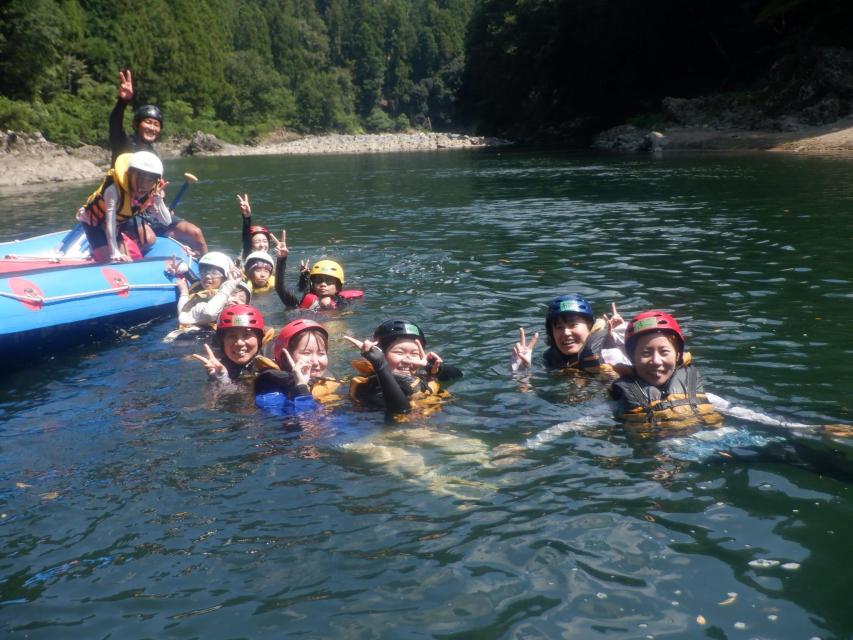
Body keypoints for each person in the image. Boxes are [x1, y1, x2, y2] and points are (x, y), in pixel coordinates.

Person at [109, 68, 208, 257]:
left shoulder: (153, 154)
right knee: (148, 238)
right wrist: (122, 102)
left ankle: (208, 271)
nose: (152, 127)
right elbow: (114, 124)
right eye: (148, 122)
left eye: (156, 124)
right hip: (126, 213)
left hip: (150, 214)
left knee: (196, 234)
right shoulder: (124, 145)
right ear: (137, 124)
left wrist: (159, 199)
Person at [609, 310, 723, 438]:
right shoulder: (620, 401)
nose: (656, 361)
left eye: (664, 352)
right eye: (646, 353)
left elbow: (735, 411)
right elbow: (593, 418)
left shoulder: (698, 392)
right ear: (632, 358)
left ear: (678, 355)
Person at [344, 320, 462, 417]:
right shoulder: (368, 385)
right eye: (399, 352)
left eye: (414, 354)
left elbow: (458, 375)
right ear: (381, 354)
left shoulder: (421, 377)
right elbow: (401, 410)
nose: (407, 360)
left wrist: (432, 367)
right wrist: (380, 366)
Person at [76, 151, 170, 263]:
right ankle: (96, 249)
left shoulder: (153, 191)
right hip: (95, 223)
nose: (144, 185)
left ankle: (106, 249)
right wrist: (115, 252)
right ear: (129, 175)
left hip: (117, 225)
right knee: (114, 262)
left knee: (127, 261)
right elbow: (109, 223)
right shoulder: (113, 190)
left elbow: (166, 221)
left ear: (155, 180)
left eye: (149, 180)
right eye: (140, 177)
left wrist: (159, 201)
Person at [511, 295, 627, 378]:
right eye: (559, 327)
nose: (566, 332)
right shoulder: (551, 358)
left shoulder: (609, 350)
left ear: (590, 327)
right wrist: (523, 371)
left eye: (573, 325)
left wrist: (625, 341)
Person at [254, 319, 344, 414]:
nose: (316, 362)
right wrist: (301, 386)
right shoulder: (270, 393)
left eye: (321, 353)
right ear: (285, 357)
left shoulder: (330, 381)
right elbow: (304, 423)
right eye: (307, 353)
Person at [192, 304, 276, 382]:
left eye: (246, 335)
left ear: (259, 339)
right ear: (222, 342)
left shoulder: (277, 357)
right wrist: (220, 379)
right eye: (232, 336)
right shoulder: (219, 366)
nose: (239, 343)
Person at [273, 231, 350, 310]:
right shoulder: (300, 303)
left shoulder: (343, 304)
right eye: (319, 280)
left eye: (329, 281)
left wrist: (328, 307)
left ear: (338, 287)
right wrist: (281, 260)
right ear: (313, 284)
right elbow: (279, 288)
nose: (323, 284)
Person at [176, 252, 244, 329]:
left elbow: (208, 313)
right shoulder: (199, 287)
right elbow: (183, 315)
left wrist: (184, 294)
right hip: (184, 332)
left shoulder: (231, 298)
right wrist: (184, 291)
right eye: (204, 272)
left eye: (214, 273)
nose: (207, 276)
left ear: (226, 276)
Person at [237, 193, 277, 259]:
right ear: (250, 245)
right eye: (257, 242)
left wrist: (282, 258)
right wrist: (246, 217)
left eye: (265, 241)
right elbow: (246, 239)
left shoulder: (272, 261)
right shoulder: (247, 257)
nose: (262, 245)